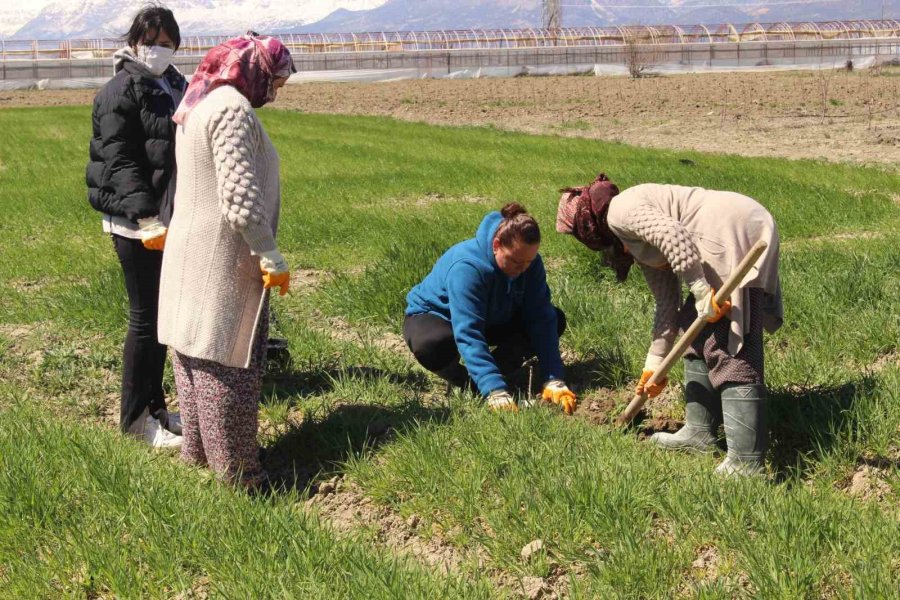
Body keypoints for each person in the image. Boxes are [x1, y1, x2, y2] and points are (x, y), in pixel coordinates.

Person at [556, 175, 782, 476]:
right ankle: (699, 432)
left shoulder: (620, 211)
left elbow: (673, 235)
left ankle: (746, 462)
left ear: (589, 223)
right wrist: (653, 366)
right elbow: (667, 307)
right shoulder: (634, 240)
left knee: (730, 341)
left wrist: (701, 290)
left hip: (732, 228)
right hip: (721, 230)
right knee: (694, 329)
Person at [157, 33, 295, 488]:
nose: (274, 91)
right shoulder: (232, 109)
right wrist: (270, 253)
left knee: (192, 355)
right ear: (252, 69)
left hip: (188, 250)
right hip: (221, 255)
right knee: (227, 364)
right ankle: (239, 476)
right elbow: (239, 197)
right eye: (273, 80)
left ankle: (198, 456)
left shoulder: (198, 104)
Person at [85, 5, 187, 448]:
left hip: (166, 218)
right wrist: (146, 217)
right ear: (133, 43)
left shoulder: (173, 84)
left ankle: (157, 409)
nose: (158, 50)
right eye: (151, 42)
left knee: (162, 320)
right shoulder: (119, 91)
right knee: (145, 320)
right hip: (135, 223)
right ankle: (133, 424)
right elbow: (121, 162)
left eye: (167, 43)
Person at [404, 203, 577, 414]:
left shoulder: (528, 265)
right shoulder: (468, 268)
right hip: (441, 317)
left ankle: (499, 370)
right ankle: (469, 383)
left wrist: (554, 378)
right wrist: (494, 390)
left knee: (554, 318)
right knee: (432, 345)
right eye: (515, 262)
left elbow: (541, 317)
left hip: (493, 317)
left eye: (528, 262)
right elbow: (468, 332)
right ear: (496, 245)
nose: (522, 269)